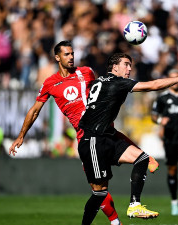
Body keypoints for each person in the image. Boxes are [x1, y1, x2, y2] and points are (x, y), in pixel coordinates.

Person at [9, 41, 124, 225]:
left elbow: (102, 93)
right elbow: (35, 110)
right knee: (98, 189)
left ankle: (120, 218)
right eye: (66, 54)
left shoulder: (87, 72)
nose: (71, 57)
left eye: (72, 53)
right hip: (84, 139)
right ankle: (116, 221)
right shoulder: (50, 83)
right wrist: (21, 135)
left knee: (102, 187)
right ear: (57, 57)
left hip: (101, 133)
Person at [77, 53, 178, 224]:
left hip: (106, 136)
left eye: (130, 65)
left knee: (142, 158)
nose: (129, 68)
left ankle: (135, 205)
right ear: (114, 67)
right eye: (126, 64)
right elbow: (154, 85)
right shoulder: (117, 82)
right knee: (100, 193)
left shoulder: (100, 81)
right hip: (93, 141)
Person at [151, 69, 178, 216]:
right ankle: (174, 202)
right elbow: (154, 116)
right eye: (172, 78)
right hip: (170, 139)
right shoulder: (162, 98)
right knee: (173, 170)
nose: (176, 81)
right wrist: (161, 120)